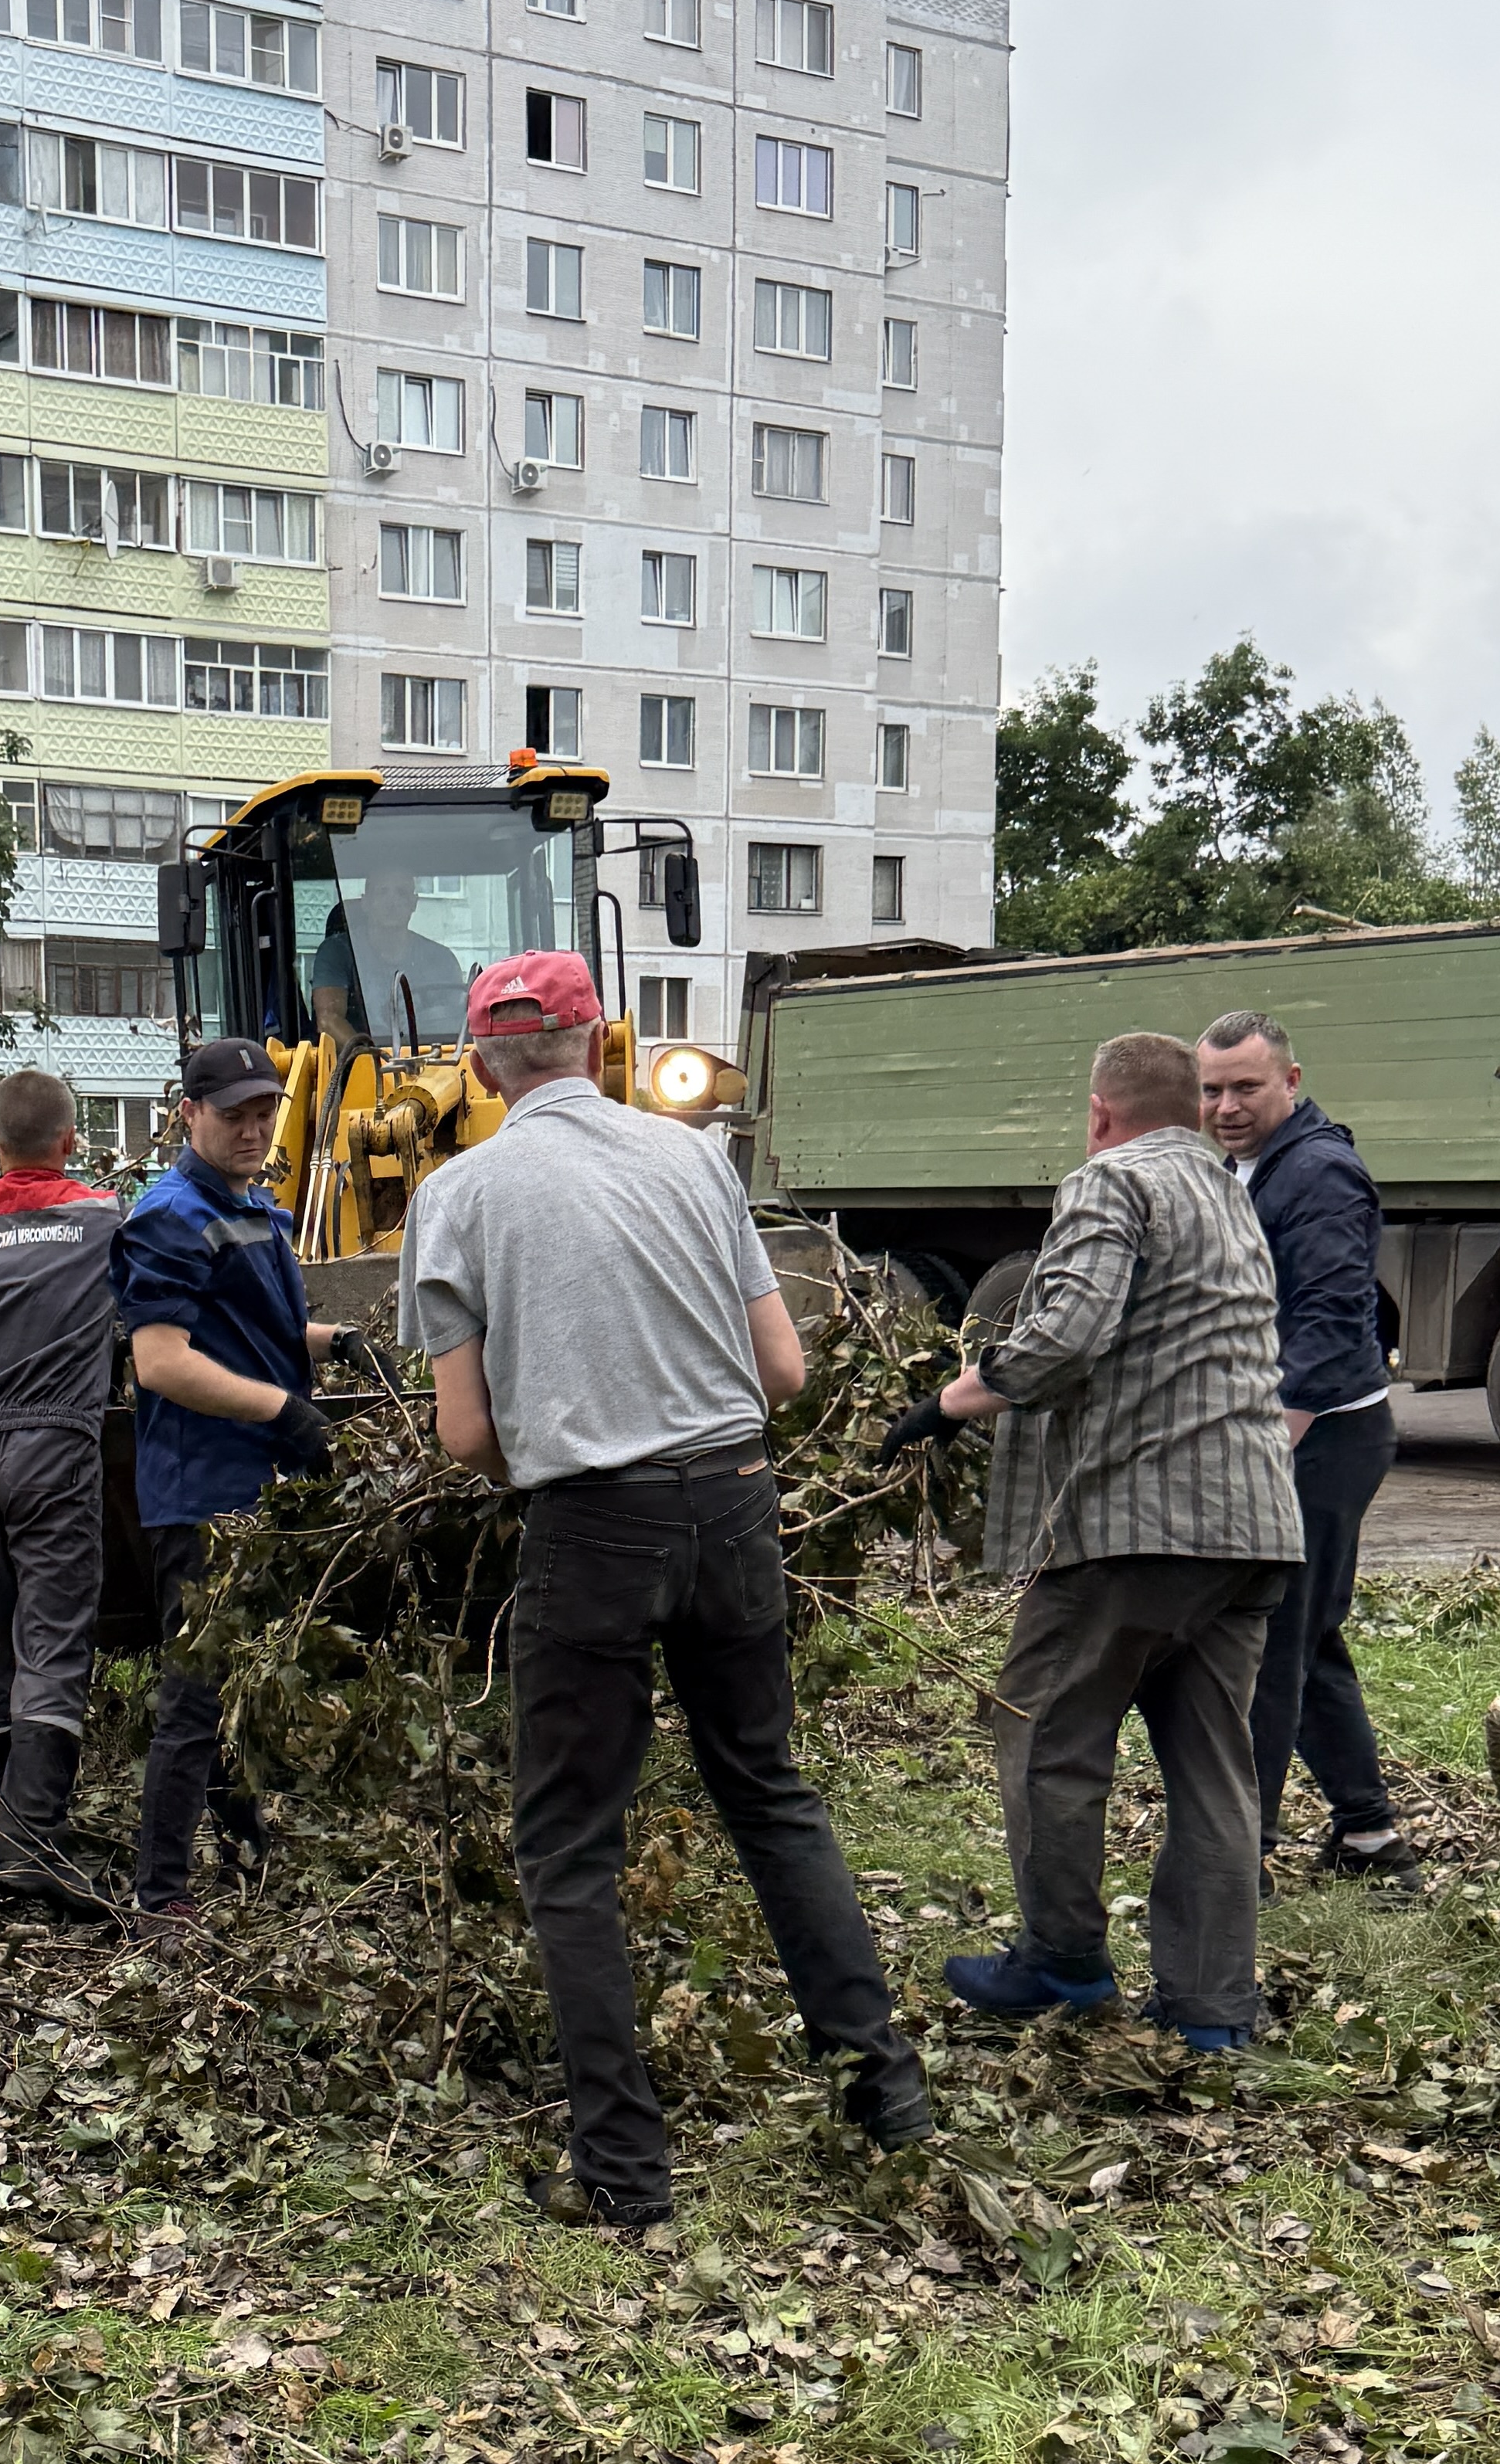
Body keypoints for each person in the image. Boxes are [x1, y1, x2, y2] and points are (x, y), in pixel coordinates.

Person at [400, 948, 929, 2235]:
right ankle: (887, 2099)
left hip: (592, 1526)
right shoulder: (695, 1160)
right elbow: (784, 1371)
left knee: (568, 1845)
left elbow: (464, 1435)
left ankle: (624, 2171)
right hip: (734, 1501)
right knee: (767, 1792)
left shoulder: (457, 1195)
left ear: (480, 1066)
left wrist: (561, 1432)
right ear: (597, 1045)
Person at [884, 1028, 1303, 2052]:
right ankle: (1211, 2007)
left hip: (1138, 1522)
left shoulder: (1112, 1180)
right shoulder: (1227, 1192)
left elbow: (1068, 1333)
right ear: (1192, 1108)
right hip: (1252, 1524)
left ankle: (1061, 1958)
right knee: (1214, 1766)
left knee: (1042, 1728)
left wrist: (951, 1402)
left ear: (1101, 1112)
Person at [111, 1033, 341, 1931]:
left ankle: (246, 1849)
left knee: (236, 1683)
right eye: (234, 1115)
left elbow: (244, 1329)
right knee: (196, 1697)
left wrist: (328, 1343)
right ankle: (160, 1896)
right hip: (203, 1492)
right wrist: (285, 1410)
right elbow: (162, 1362)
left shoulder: (252, 1208)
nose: (253, 1130)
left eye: (263, 1114)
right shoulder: (171, 1217)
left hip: (253, 1483)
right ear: (189, 1114)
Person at [1196, 1006, 1415, 1891]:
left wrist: (1264, 1446)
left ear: (1290, 1081)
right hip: (1305, 1434)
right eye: (1212, 1090)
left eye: (1246, 1087)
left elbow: (1328, 1323)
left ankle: (1237, 1858)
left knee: (1267, 1643)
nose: (1227, 1107)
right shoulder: (1252, 1167)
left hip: (1325, 1436)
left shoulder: (1319, 1174)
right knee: (1308, 1633)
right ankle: (1370, 1837)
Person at [0, 1067, 124, 1912]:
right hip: (54, 1447)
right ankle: (31, 1843)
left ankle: (3, 1824)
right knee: (54, 1640)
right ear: (71, 1140)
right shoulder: (103, 1217)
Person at [309, 867, 470, 1046]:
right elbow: (329, 1020)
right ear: (366, 903)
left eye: (402, 893)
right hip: (358, 1060)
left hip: (434, 1058)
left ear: (414, 903)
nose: (392, 902)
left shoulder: (441, 959)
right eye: (382, 892)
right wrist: (372, 1057)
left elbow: (456, 1023)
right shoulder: (338, 952)